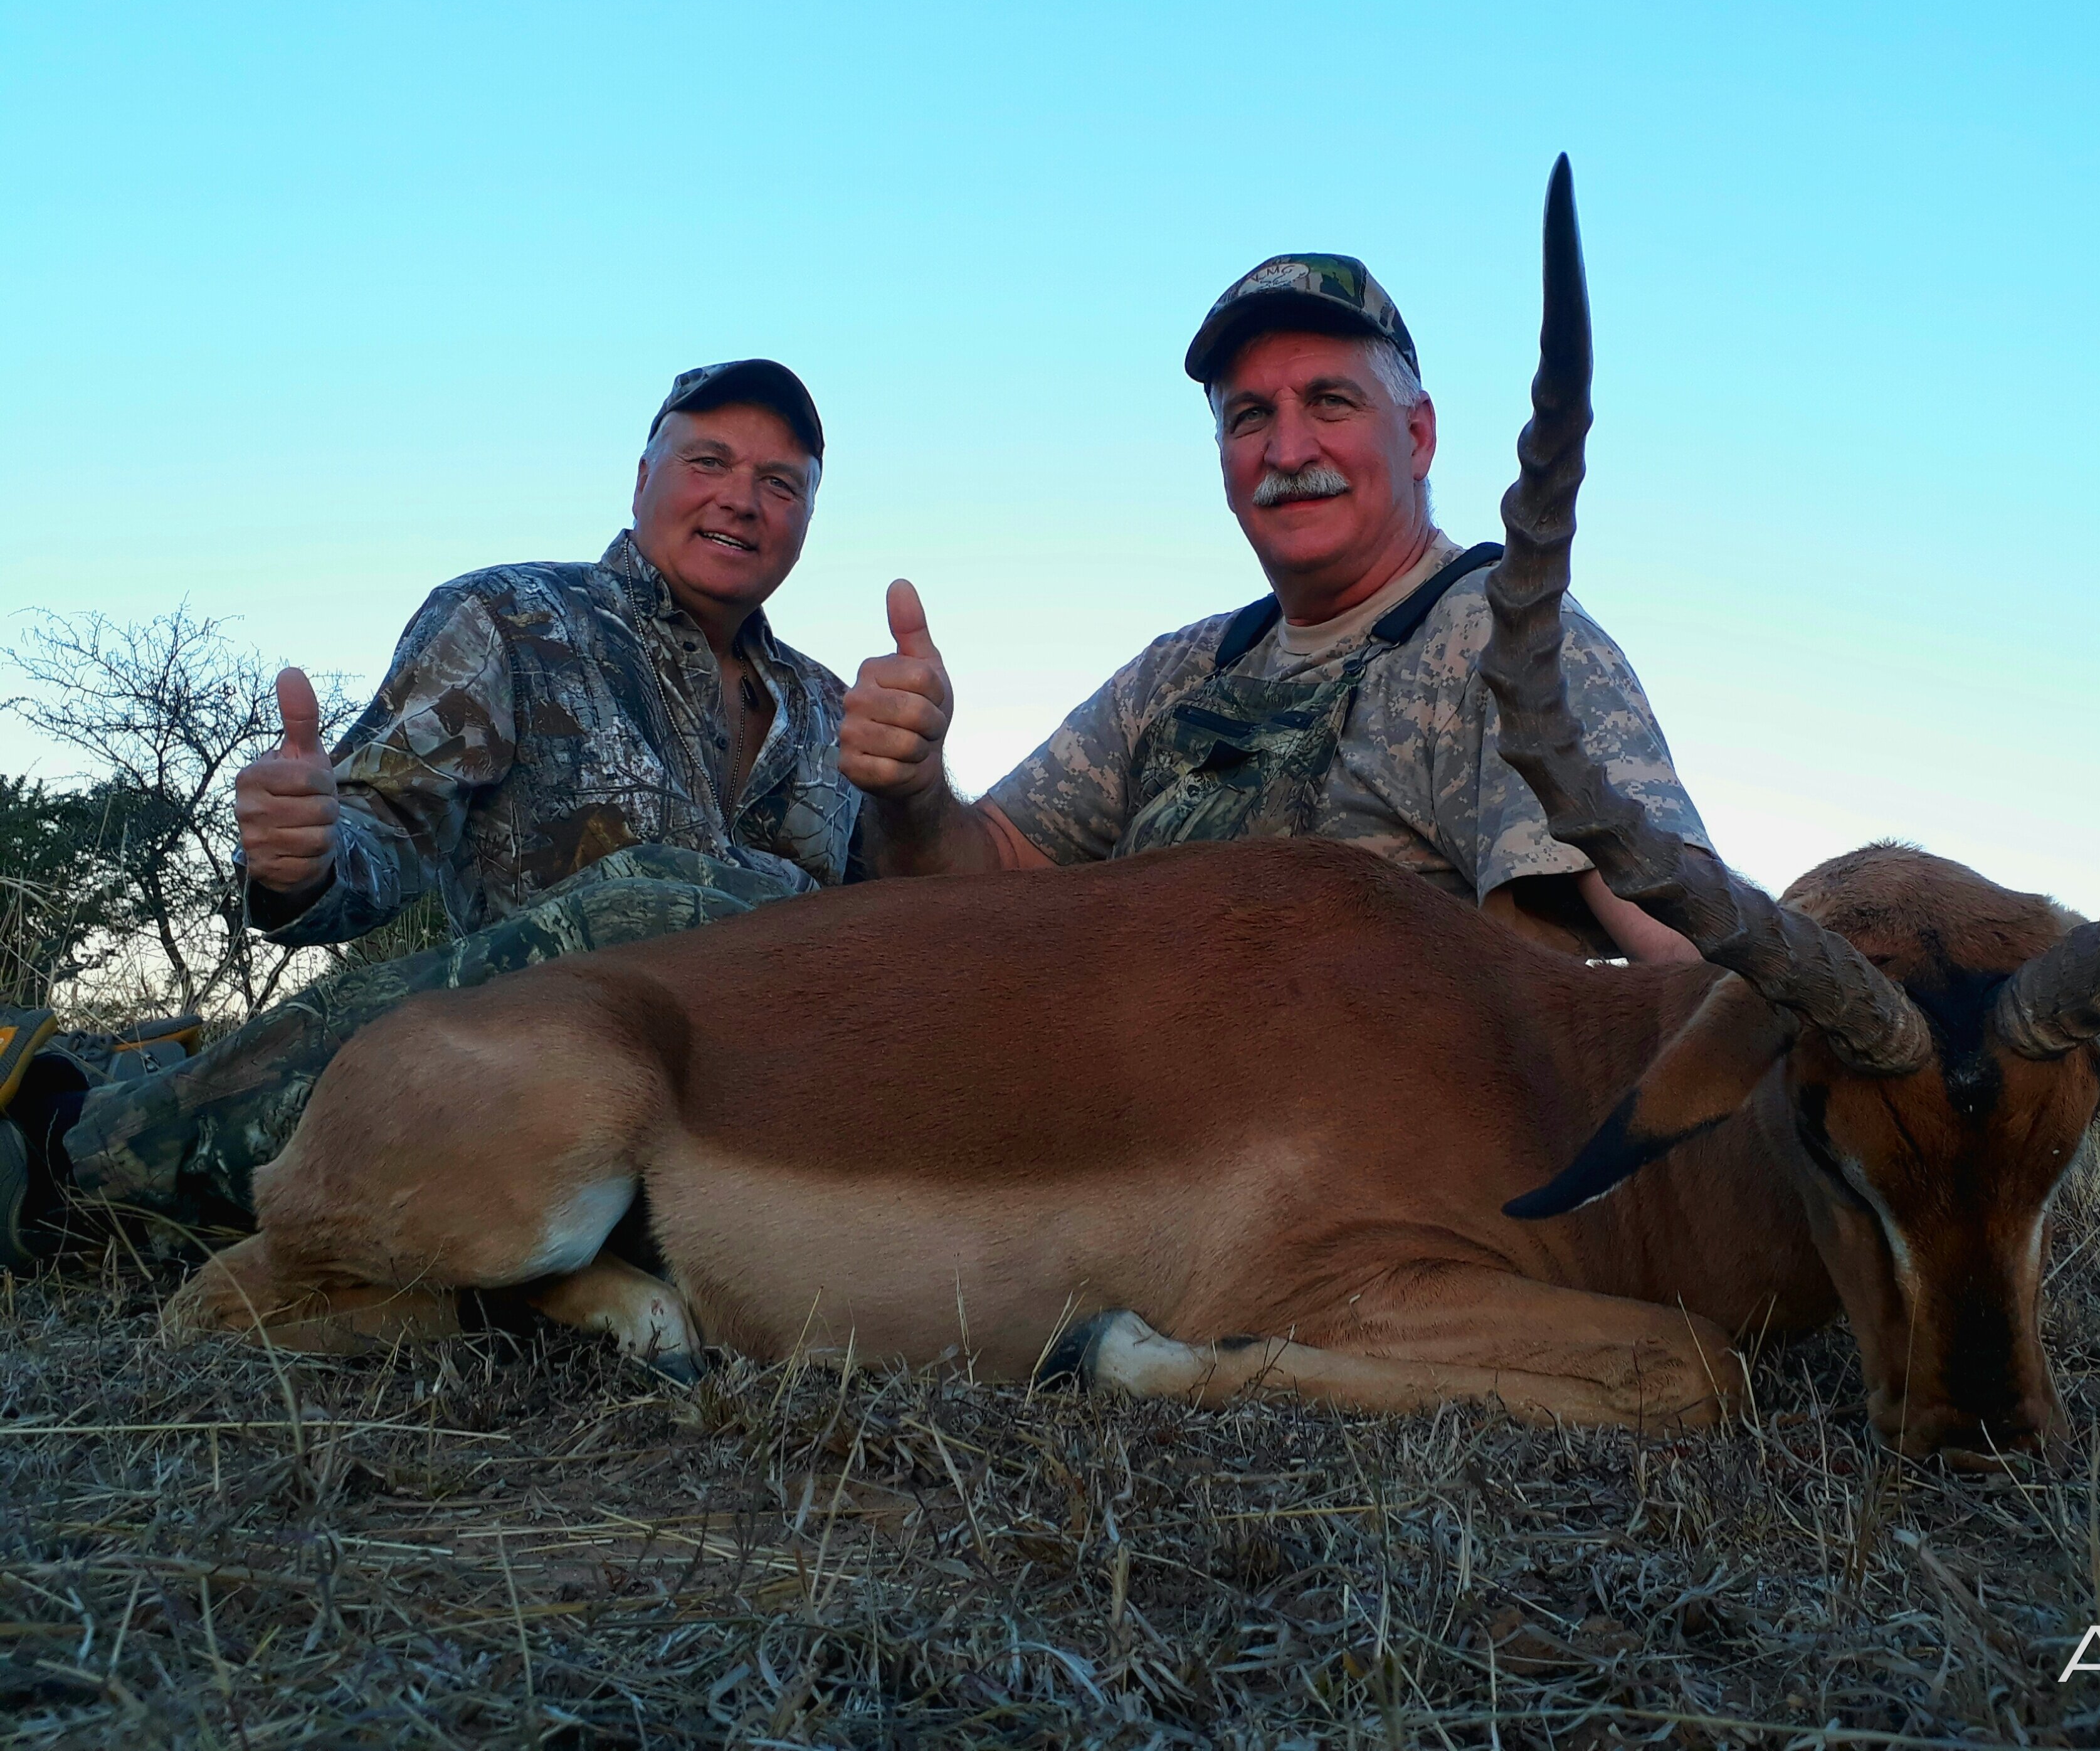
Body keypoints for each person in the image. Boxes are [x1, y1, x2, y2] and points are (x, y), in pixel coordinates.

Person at [0, 360, 865, 1264]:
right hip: (520, 1069)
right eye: (709, 463)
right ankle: (68, 1154)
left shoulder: (832, 708)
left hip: (750, 1118)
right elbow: (383, 829)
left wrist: (918, 789)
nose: (741, 500)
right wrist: (311, 856)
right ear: (643, 478)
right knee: (658, 909)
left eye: (779, 484)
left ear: (805, 518)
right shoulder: (509, 617)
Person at [843, 253, 1711, 961]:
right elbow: (982, 878)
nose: (1287, 450)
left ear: (1417, 436)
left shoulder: (1505, 641)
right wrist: (914, 796)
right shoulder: (1179, 673)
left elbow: (1676, 933)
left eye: (1330, 402)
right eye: (1249, 417)